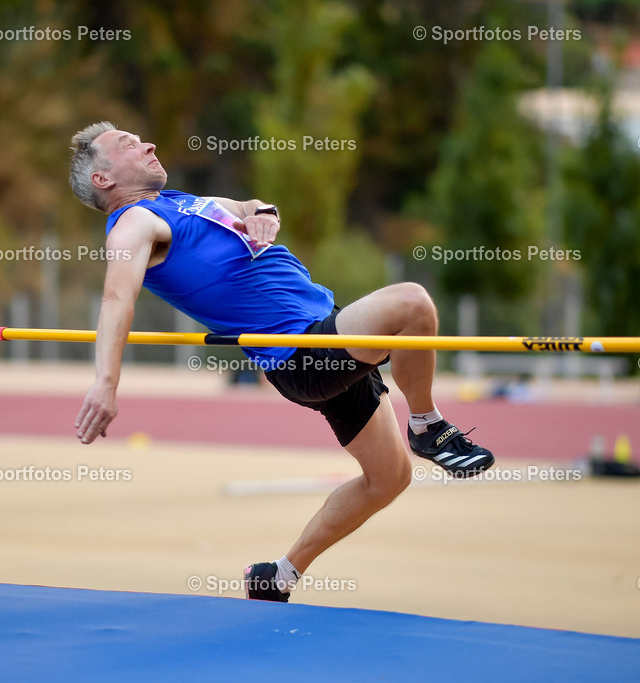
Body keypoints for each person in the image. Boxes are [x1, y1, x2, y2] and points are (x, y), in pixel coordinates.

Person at [68, 122, 494, 602]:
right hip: (303, 352)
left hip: (323, 338)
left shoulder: (178, 203)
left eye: (142, 137)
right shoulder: (134, 224)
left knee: (390, 478)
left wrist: (261, 213)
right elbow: (115, 297)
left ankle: (280, 575)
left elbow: (244, 207)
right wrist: (106, 381)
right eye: (128, 145)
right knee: (412, 304)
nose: (147, 143)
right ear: (104, 180)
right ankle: (427, 424)